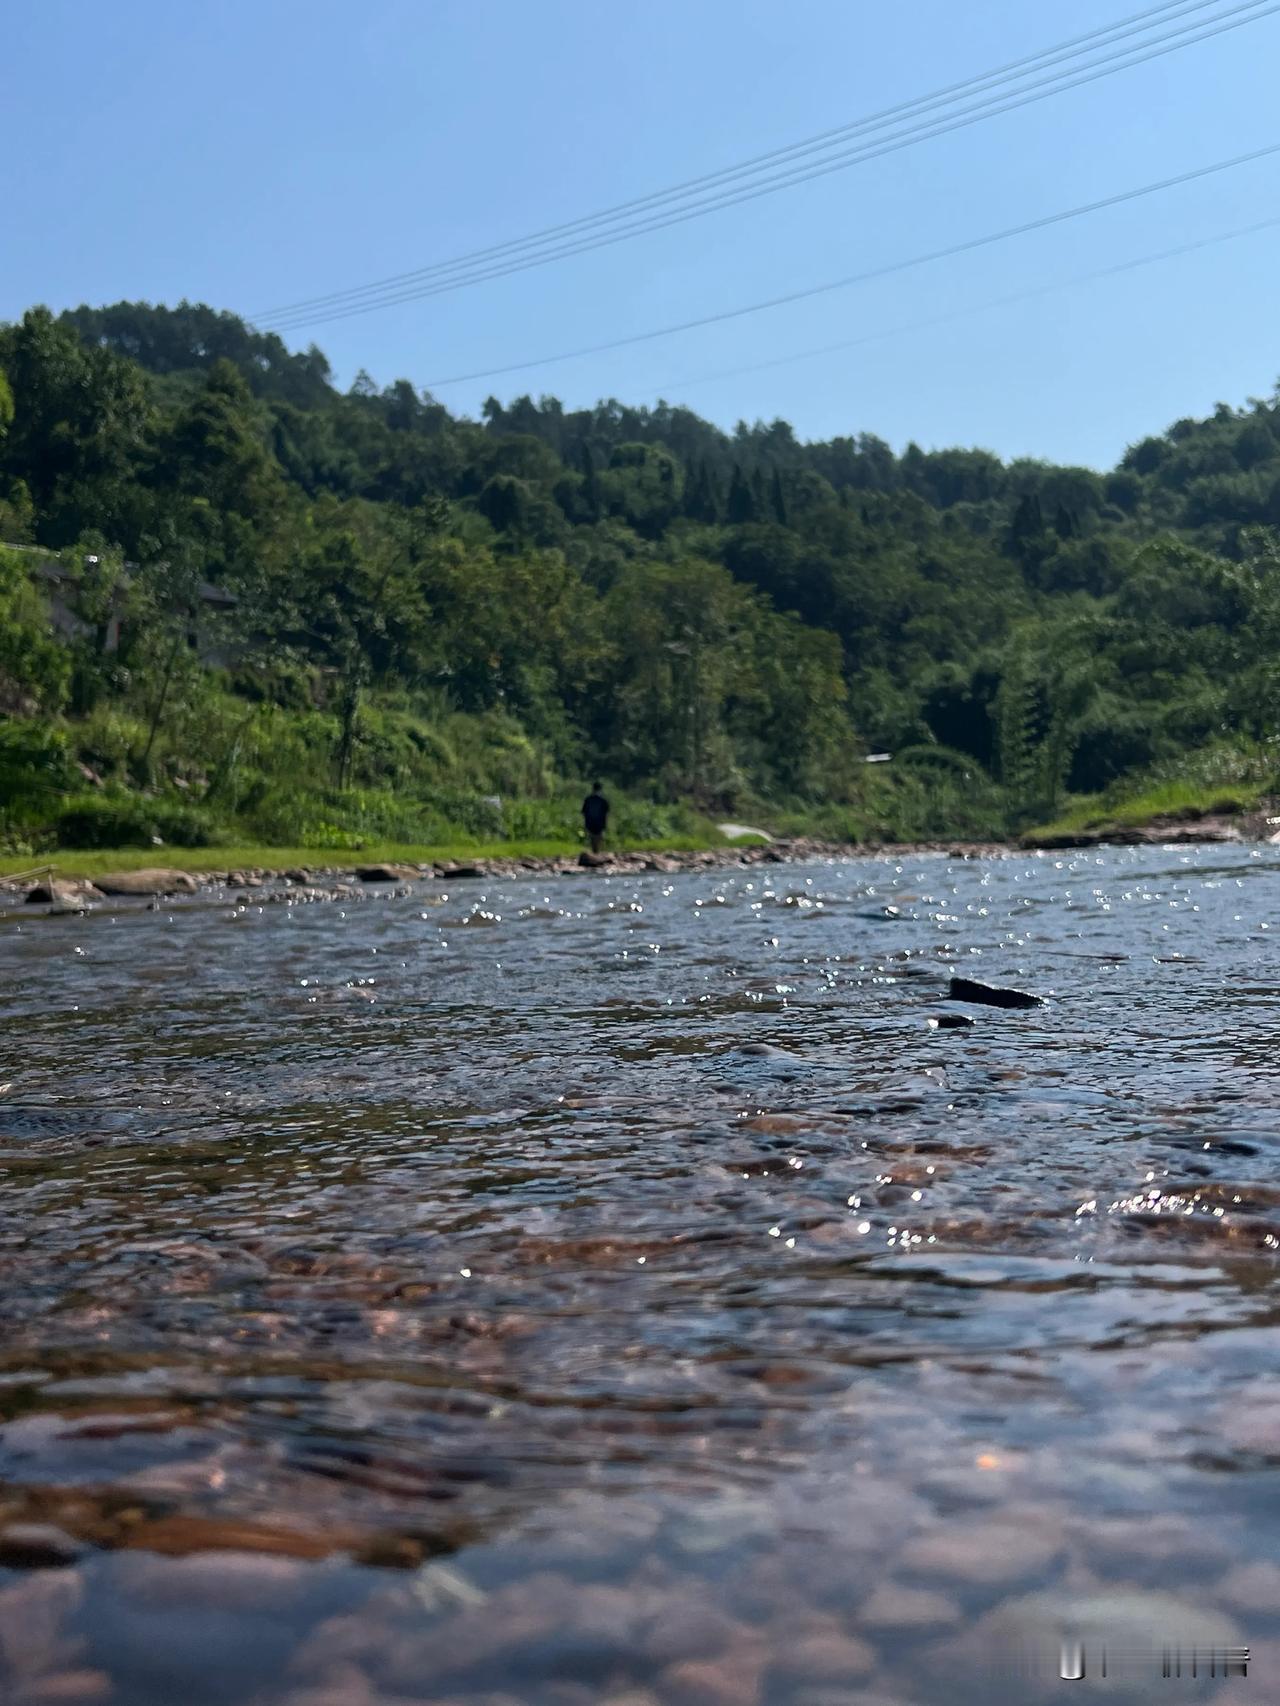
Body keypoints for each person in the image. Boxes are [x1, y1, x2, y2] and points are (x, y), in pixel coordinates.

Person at [582, 781, 609, 853]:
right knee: (598, 837)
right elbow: (606, 813)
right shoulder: (603, 800)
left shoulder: (588, 799)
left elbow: (584, 812)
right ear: (600, 789)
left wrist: (585, 823)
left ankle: (594, 850)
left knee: (592, 837)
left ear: (593, 789)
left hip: (590, 822)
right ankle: (596, 851)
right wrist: (606, 824)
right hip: (600, 822)